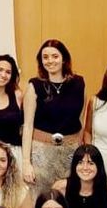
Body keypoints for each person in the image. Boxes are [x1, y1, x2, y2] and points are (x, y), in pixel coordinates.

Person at [23, 39, 83, 197]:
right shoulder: (34, 86)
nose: (50, 61)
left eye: (55, 56)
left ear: (64, 59)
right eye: (45, 57)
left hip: (70, 152)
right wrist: (26, 163)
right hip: (41, 152)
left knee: (69, 201)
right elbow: (28, 126)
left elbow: (80, 120)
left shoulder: (78, 83)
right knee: (41, 201)